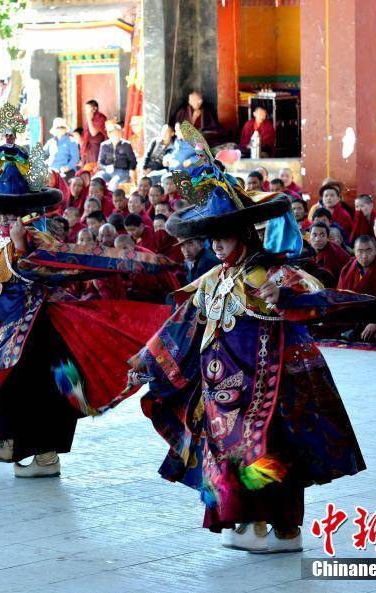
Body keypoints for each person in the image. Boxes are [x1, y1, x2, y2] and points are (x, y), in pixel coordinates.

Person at [130, 123, 364, 553]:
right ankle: (248, 523)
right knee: (232, 458)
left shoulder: (270, 272)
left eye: (224, 236)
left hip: (271, 387)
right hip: (223, 391)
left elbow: (314, 292)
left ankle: (285, 530)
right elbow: (184, 322)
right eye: (212, 238)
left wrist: (286, 295)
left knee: (273, 455)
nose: (217, 246)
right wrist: (148, 359)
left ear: (244, 234)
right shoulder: (214, 279)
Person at [0, 110, 173, 475]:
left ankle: (41, 454)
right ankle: (30, 452)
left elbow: (64, 265)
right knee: (13, 392)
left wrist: (23, 251)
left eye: (11, 212)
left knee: (39, 395)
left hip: (36, 334)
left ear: (27, 211)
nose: (3, 219)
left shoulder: (37, 238)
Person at [96, 124, 138, 190]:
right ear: (109, 135)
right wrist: (106, 167)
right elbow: (100, 162)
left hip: (123, 171)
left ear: (121, 134)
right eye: (113, 134)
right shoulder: (104, 145)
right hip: (107, 172)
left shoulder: (126, 145)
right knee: (96, 179)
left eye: (118, 133)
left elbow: (133, 160)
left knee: (113, 182)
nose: (116, 136)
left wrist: (131, 169)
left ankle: (110, 199)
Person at [309, 222, 351, 287]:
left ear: (328, 238)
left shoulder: (331, 255)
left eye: (322, 235)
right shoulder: (319, 249)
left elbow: (329, 283)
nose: (317, 239)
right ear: (309, 237)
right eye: (314, 235)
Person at [80, 99, 107, 164]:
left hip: (96, 147)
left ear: (95, 108)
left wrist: (89, 119)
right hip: (88, 148)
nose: (86, 111)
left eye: (88, 108)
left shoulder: (100, 117)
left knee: (94, 168)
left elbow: (93, 133)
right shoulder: (90, 118)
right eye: (85, 109)